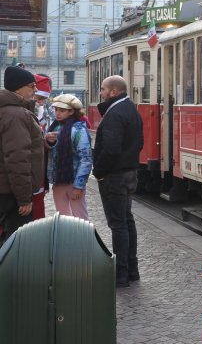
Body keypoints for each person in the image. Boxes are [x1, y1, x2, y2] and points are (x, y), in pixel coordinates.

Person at [93, 75, 143, 287]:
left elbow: (111, 149)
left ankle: (120, 274)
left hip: (114, 176)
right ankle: (132, 269)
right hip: (129, 172)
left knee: (118, 224)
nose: (101, 93)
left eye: (103, 89)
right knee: (127, 220)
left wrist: (99, 171)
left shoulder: (114, 113)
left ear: (113, 92)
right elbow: (138, 143)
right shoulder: (131, 108)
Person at [0, 66, 44, 245]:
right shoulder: (16, 115)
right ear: (18, 88)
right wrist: (24, 199)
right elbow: (17, 159)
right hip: (11, 193)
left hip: (6, 190)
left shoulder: (8, 112)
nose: (35, 90)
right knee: (15, 244)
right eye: (31, 86)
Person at [45, 94, 92, 221]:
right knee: (63, 218)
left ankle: (84, 240)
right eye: (56, 109)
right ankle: (68, 240)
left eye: (62, 110)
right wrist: (48, 141)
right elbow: (51, 154)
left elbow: (86, 160)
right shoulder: (54, 127)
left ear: (71, 111)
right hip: (58, 181)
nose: (57, 113)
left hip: (73, 181)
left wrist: (79, 185)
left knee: (80, 218)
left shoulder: (79, 130)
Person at [31, 74, 55, 220]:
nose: (40, 102)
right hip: (31, 167)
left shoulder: (43, 111)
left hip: (39, 165)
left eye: (43, 99)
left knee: (38, 203)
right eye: (39, 99)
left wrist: (47, 140)